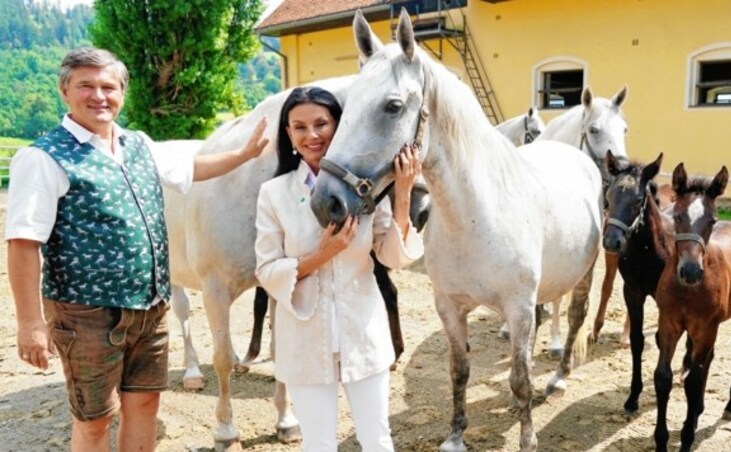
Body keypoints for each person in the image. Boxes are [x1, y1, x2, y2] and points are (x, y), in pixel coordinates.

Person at [6, 47, 270, 452]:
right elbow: (24, 243)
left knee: (145, 403)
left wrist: (245, 155)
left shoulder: (138, 145)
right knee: (95, 420)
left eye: (108, 86)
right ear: (65, 92)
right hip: (86, 314)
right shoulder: (43, 157)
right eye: (86, 86)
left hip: (151, 308)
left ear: (122, 93)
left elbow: (191, 168)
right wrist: (29, 324)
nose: (99, 96)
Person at [254, 86, 423, 451]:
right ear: (288, 134)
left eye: (321, 124)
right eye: (299, 127)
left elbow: (394, 257)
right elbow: (266, 271)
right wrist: (321, 254)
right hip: (303, 339)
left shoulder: (365, 190)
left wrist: (403, 192)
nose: (311, 135)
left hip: (362, 332)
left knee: (377, 439)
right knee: (318, 445)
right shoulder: (273, 194)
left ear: (339, 126)